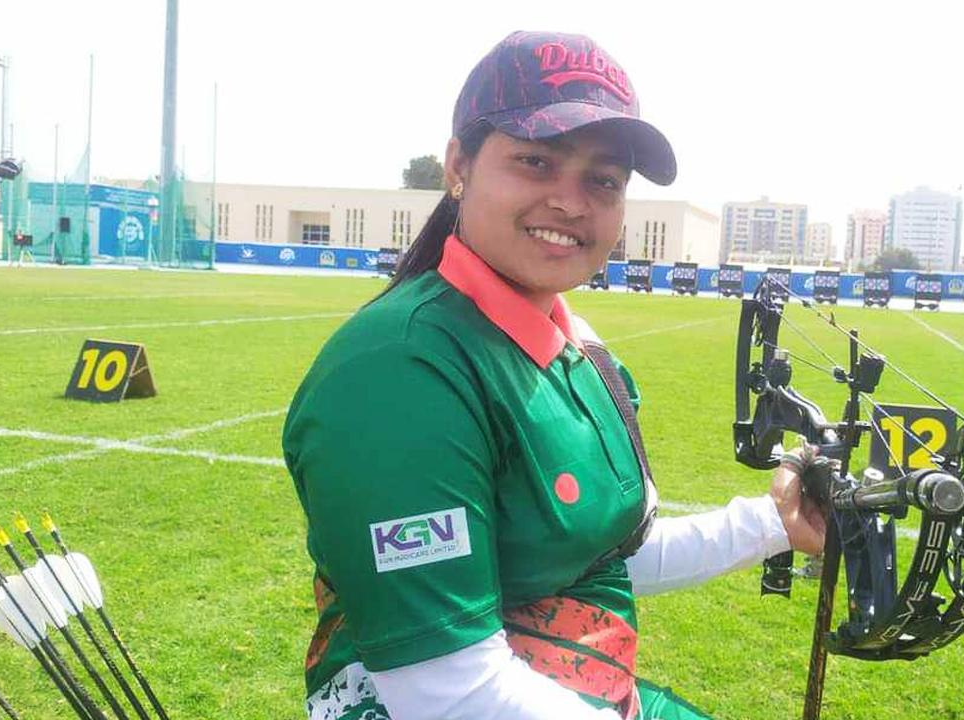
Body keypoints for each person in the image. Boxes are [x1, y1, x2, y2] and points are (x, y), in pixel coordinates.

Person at [283, 30, 826, 720]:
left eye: (604, 180)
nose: (571, 202)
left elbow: (601, 555)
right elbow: (445, 691)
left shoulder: (579, 347)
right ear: (459, 166)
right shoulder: (397, 373)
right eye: (535, 160)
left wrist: (776, 522)